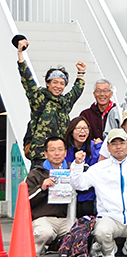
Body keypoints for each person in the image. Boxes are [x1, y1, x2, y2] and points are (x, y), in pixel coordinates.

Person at [70, 129, 127, 257]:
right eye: (114, 143)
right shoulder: (99, 168)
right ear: (108, 148)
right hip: (109, 217)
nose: (118, 147)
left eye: (122, 143)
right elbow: (79, 185)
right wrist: (78, 165)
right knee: (101, 232)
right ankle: (109, 249)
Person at [16, 36, 86, 165]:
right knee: (38, 185)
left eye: (62, 83)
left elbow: (76, 91)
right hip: (40, 156)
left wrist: (81, 74)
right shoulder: (39, 99)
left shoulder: (65, 103)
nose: (58, 86)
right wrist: (20, 54)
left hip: (60, 157)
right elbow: (28, 81)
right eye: (55, 82)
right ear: (48, 83)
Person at [28, 137, 70, 257]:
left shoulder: (73, 170)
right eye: (52, 150)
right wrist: (42, 188)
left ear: (65, 152)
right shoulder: (36, 174)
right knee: (44, 233)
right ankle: (35, 253)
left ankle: (62, 250)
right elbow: (26, 202)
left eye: (60, 149)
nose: (57, 153)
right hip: (44, 218)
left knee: (78, 232)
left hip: (66, 218)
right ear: (46, 154)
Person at [63, 117, 100, 216]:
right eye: (78, 128)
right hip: (66, 191)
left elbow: (96, 168)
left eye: (85, 128)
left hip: (88, 193)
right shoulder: (64, 148)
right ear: (71, 131)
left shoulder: (94, 147)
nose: (82, 131)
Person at [79, 79, 115, 143]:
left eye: (105, 91)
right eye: (98, 91)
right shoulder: (86, 114)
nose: (102, 94)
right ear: (94, 94)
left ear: (111, 94)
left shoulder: (117, 113)